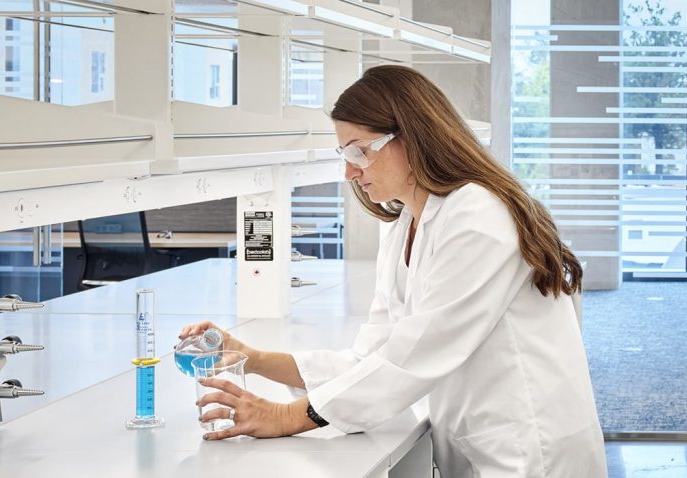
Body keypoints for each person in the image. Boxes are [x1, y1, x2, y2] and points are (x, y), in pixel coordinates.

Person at [180, 65, 608, 477]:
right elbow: (375, 356)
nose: (349, 171)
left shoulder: (477, 215)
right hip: (482, 441)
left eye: (359, 151)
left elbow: (411, 360)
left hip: (530, 448)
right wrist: (252, 359)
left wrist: (284, 416)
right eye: (343, 154)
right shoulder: (405, 222)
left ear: (413, 137)